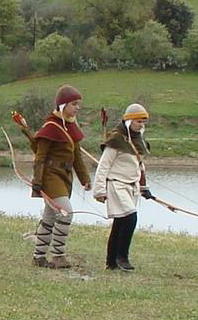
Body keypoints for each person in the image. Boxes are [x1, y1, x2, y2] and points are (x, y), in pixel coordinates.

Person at [28, 85, 91, 269]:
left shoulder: (70, 125)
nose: (77, 107)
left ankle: (39, 257)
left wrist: (85, 179)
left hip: (64, 177)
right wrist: (37, 181)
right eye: (74, 104)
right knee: (66, 213)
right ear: (63, 105)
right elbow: (40, 158)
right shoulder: (50, 127)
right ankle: (58, 255)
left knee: (49, 219)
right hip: (50, 177)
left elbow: (77, 157)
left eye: (78, 104)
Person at [93, 104, 153, 271]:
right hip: (116, 184)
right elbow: (103, 166)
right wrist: (99, 190)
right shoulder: (116, 139)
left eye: (143, 122)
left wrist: (144, 187)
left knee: (119, 222)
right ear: (129, 121)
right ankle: (122, 257)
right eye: (138, 121)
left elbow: (139, 166)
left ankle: (111, 262)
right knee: (130, 217)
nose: (141, 125)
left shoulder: (139, 140)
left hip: (131, 186)